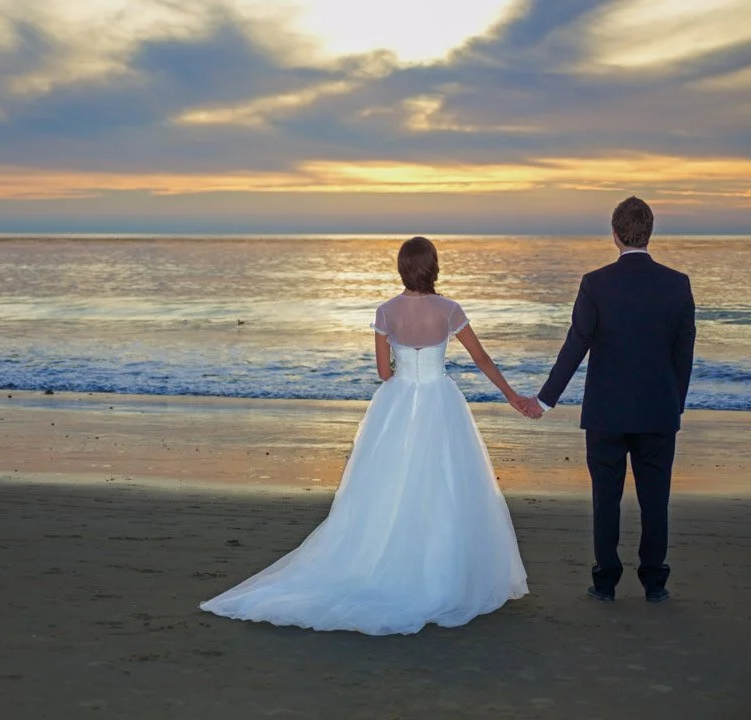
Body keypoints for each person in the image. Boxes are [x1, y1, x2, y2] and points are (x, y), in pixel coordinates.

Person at [199, 236, 530, 635]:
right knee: (444, 484)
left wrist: (402, 360)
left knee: (389, 485)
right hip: (440, 402)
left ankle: (387, 560)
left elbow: (384, 373)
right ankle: (441, 572)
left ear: (403, 268)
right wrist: (513, 395)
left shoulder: (386, 311)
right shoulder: (449, 310)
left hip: (397, 405)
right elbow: (481, 359)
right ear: (433, 266)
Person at [524, 196, 696, 603]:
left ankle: (606, 583)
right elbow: (683, 352)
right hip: (658, 410)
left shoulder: (596, 283)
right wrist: (676, 402)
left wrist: (545, 400)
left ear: (615, 235)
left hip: (606, 413)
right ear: (649, 232)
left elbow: (576, 345)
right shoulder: (677, 284)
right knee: (656, 501)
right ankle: (655, 583)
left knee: (606, 500)